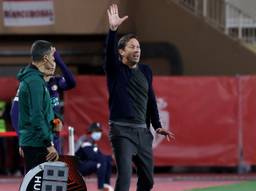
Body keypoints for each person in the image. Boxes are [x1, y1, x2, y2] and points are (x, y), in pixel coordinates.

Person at [104, 4, 175, 191]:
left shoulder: (146, 71)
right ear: (121, 51)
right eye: (132, 46)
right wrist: (113, 30)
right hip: (121, 131)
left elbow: (150, 99)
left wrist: (157, 125)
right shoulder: (115, 70)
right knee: (125, 177)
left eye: (139, 47)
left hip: (143, 133)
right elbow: (109, 54)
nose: (137, 50)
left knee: (148, 181)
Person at [10, 49, 76, 154]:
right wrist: (22, 139)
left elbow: (72, 82)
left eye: (54, 62)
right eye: (50, 61)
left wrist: (58, 59)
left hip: (54, 133)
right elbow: (16, 111)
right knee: (36, 169)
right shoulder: (30, 83)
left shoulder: (56, 81)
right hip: (37, 135)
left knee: (55, 168)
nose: (53, 65)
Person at [17, 40, 59, 173]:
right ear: (45, 59)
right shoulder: (34, 81)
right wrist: (49, 144)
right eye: (52, 58)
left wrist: (55, 122)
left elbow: (40, 113)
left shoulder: (36, 79)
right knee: (36, 185)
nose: (53, 61)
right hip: (37, 143)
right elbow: (36, 116)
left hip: (35, 141)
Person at [75, 122, 113, 191]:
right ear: (91, 131)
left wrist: (109, 158)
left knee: (107, 159)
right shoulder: (85, 140)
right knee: (100, 163)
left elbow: (99, 155)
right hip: (78, 167)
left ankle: (106, 184)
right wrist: (104, 158)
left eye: (100, 131)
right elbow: (91, 156)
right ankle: (101, 188)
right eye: (97, 131)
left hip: (87, 163)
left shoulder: (93, 142)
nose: (99, 133)